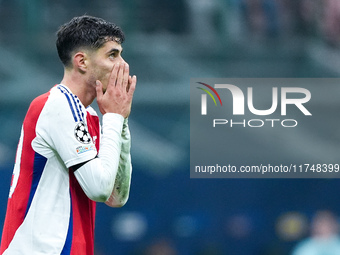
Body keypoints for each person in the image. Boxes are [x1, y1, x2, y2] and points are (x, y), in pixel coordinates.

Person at [0, 15, 136, 254]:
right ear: (82, 61)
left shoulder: (89, 117)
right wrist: (114, 117)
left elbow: (116, 196)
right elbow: (99, 189)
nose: (123, 65)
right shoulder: (57, 105)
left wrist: (120, 121)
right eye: (113, 55)